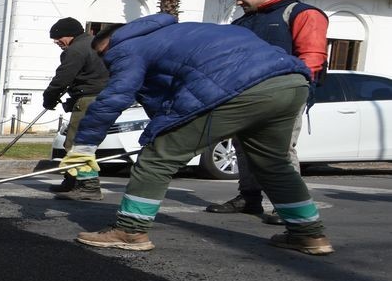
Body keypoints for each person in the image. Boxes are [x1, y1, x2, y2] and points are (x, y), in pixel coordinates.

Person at [61, 13, 333, 256]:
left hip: (236, 85)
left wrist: (84, 147)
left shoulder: (124, 47)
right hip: (290, 82)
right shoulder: (183, 32)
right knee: (273, 165)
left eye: (104, 57)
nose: (107, 63)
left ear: (108, 44)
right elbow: (164, 96)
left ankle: (130, 231)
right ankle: (309, 234)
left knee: (157, 158)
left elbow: (115, 97)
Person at [206, 0, 329, 224]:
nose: (239, 2)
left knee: (281, 150)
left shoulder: (301, 13)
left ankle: (289, 207)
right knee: (243, 145)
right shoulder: (243, 22)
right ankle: (249, 198)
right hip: (246, 94)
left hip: (285, 93)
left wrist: (300, 88)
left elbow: (312, 57)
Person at [42, 17, 111, 199]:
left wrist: (49, 97)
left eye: (58, 38)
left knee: (77, 144)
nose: (56, 42)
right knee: (81, 141)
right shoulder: (95, 44)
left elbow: (63, 78)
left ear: (70, 35)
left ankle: (89, 187)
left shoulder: (76, 50)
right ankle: (71, 182)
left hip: (88, 100)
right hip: (101, 97)